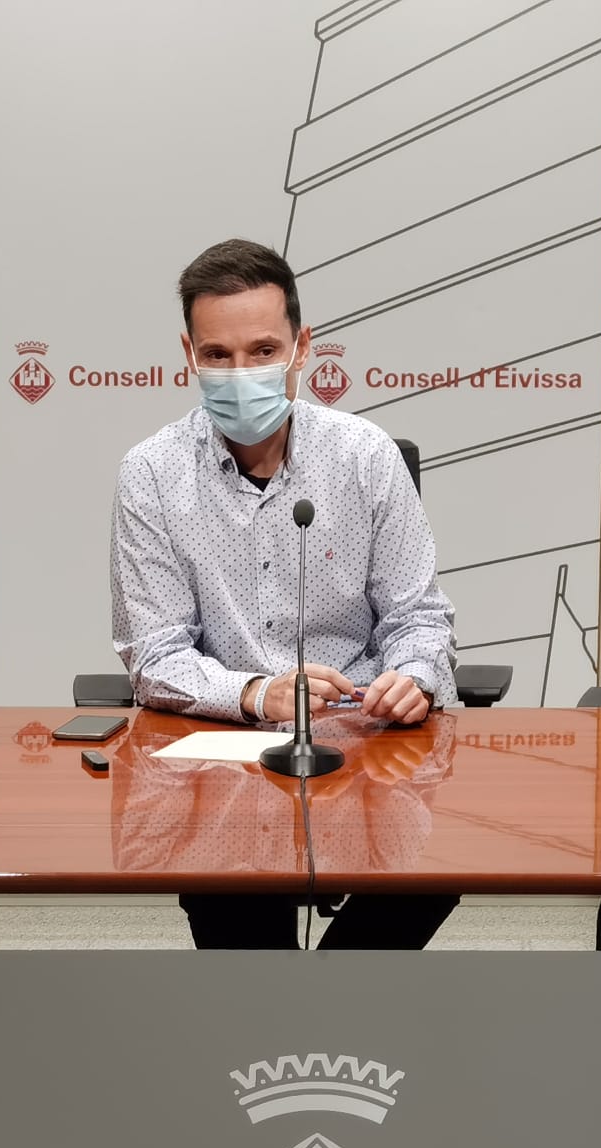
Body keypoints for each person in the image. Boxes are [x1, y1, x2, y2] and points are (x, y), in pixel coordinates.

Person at [110, 238, 460, 949]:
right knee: (243, 936)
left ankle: (331, 1002)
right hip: (227, 752)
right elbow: (154, 654)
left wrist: (414, 677)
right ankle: (292, 1010)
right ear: (189, 354)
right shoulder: (150, 474)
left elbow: (419, 617)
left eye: (263, 350)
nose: (242, 374)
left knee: (428, 878)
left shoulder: (365, 456)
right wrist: (255, 692)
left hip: (361, 741)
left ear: (302, 347)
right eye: (218, 355)